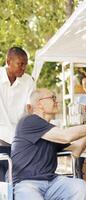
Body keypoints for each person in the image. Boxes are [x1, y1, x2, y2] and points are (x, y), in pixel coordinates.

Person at [11, 88, 86, 200]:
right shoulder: (29, 121)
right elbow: (66, 135)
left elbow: (76, 151)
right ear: (40, 104)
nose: (56, 101)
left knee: (80, 186)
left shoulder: (50, 131)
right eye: (52, 97)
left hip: (52, 182)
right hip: (26, 183)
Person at [0, 47, 35, 181]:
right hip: (1, 138)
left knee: (17, 179)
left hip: (19, 139)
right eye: (20, 64)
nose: (23, 68)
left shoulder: (28, 81)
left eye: (25, 64)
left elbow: (31, 107)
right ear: (8, 61)